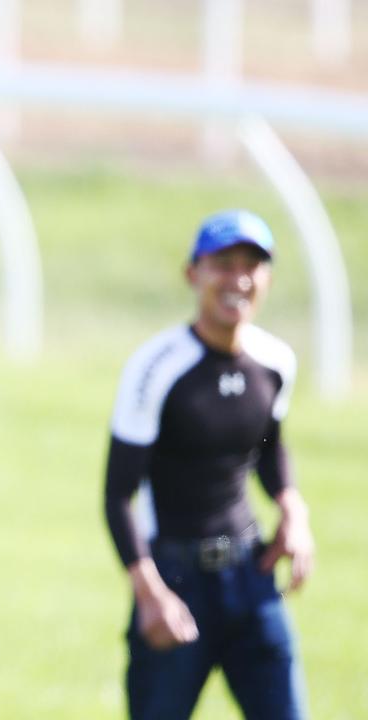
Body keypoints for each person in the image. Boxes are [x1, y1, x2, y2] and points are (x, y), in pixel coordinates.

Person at [104, 209, 314, 720]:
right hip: (175, 580)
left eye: (252, 265)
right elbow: (118, 494)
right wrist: (149, 592)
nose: (238, 279)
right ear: (192, 273)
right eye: (222, 263)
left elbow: (268, 447)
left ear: (266, 278)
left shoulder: (275, 362)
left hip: (252, 574)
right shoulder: (156, 367)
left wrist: (292, 508)